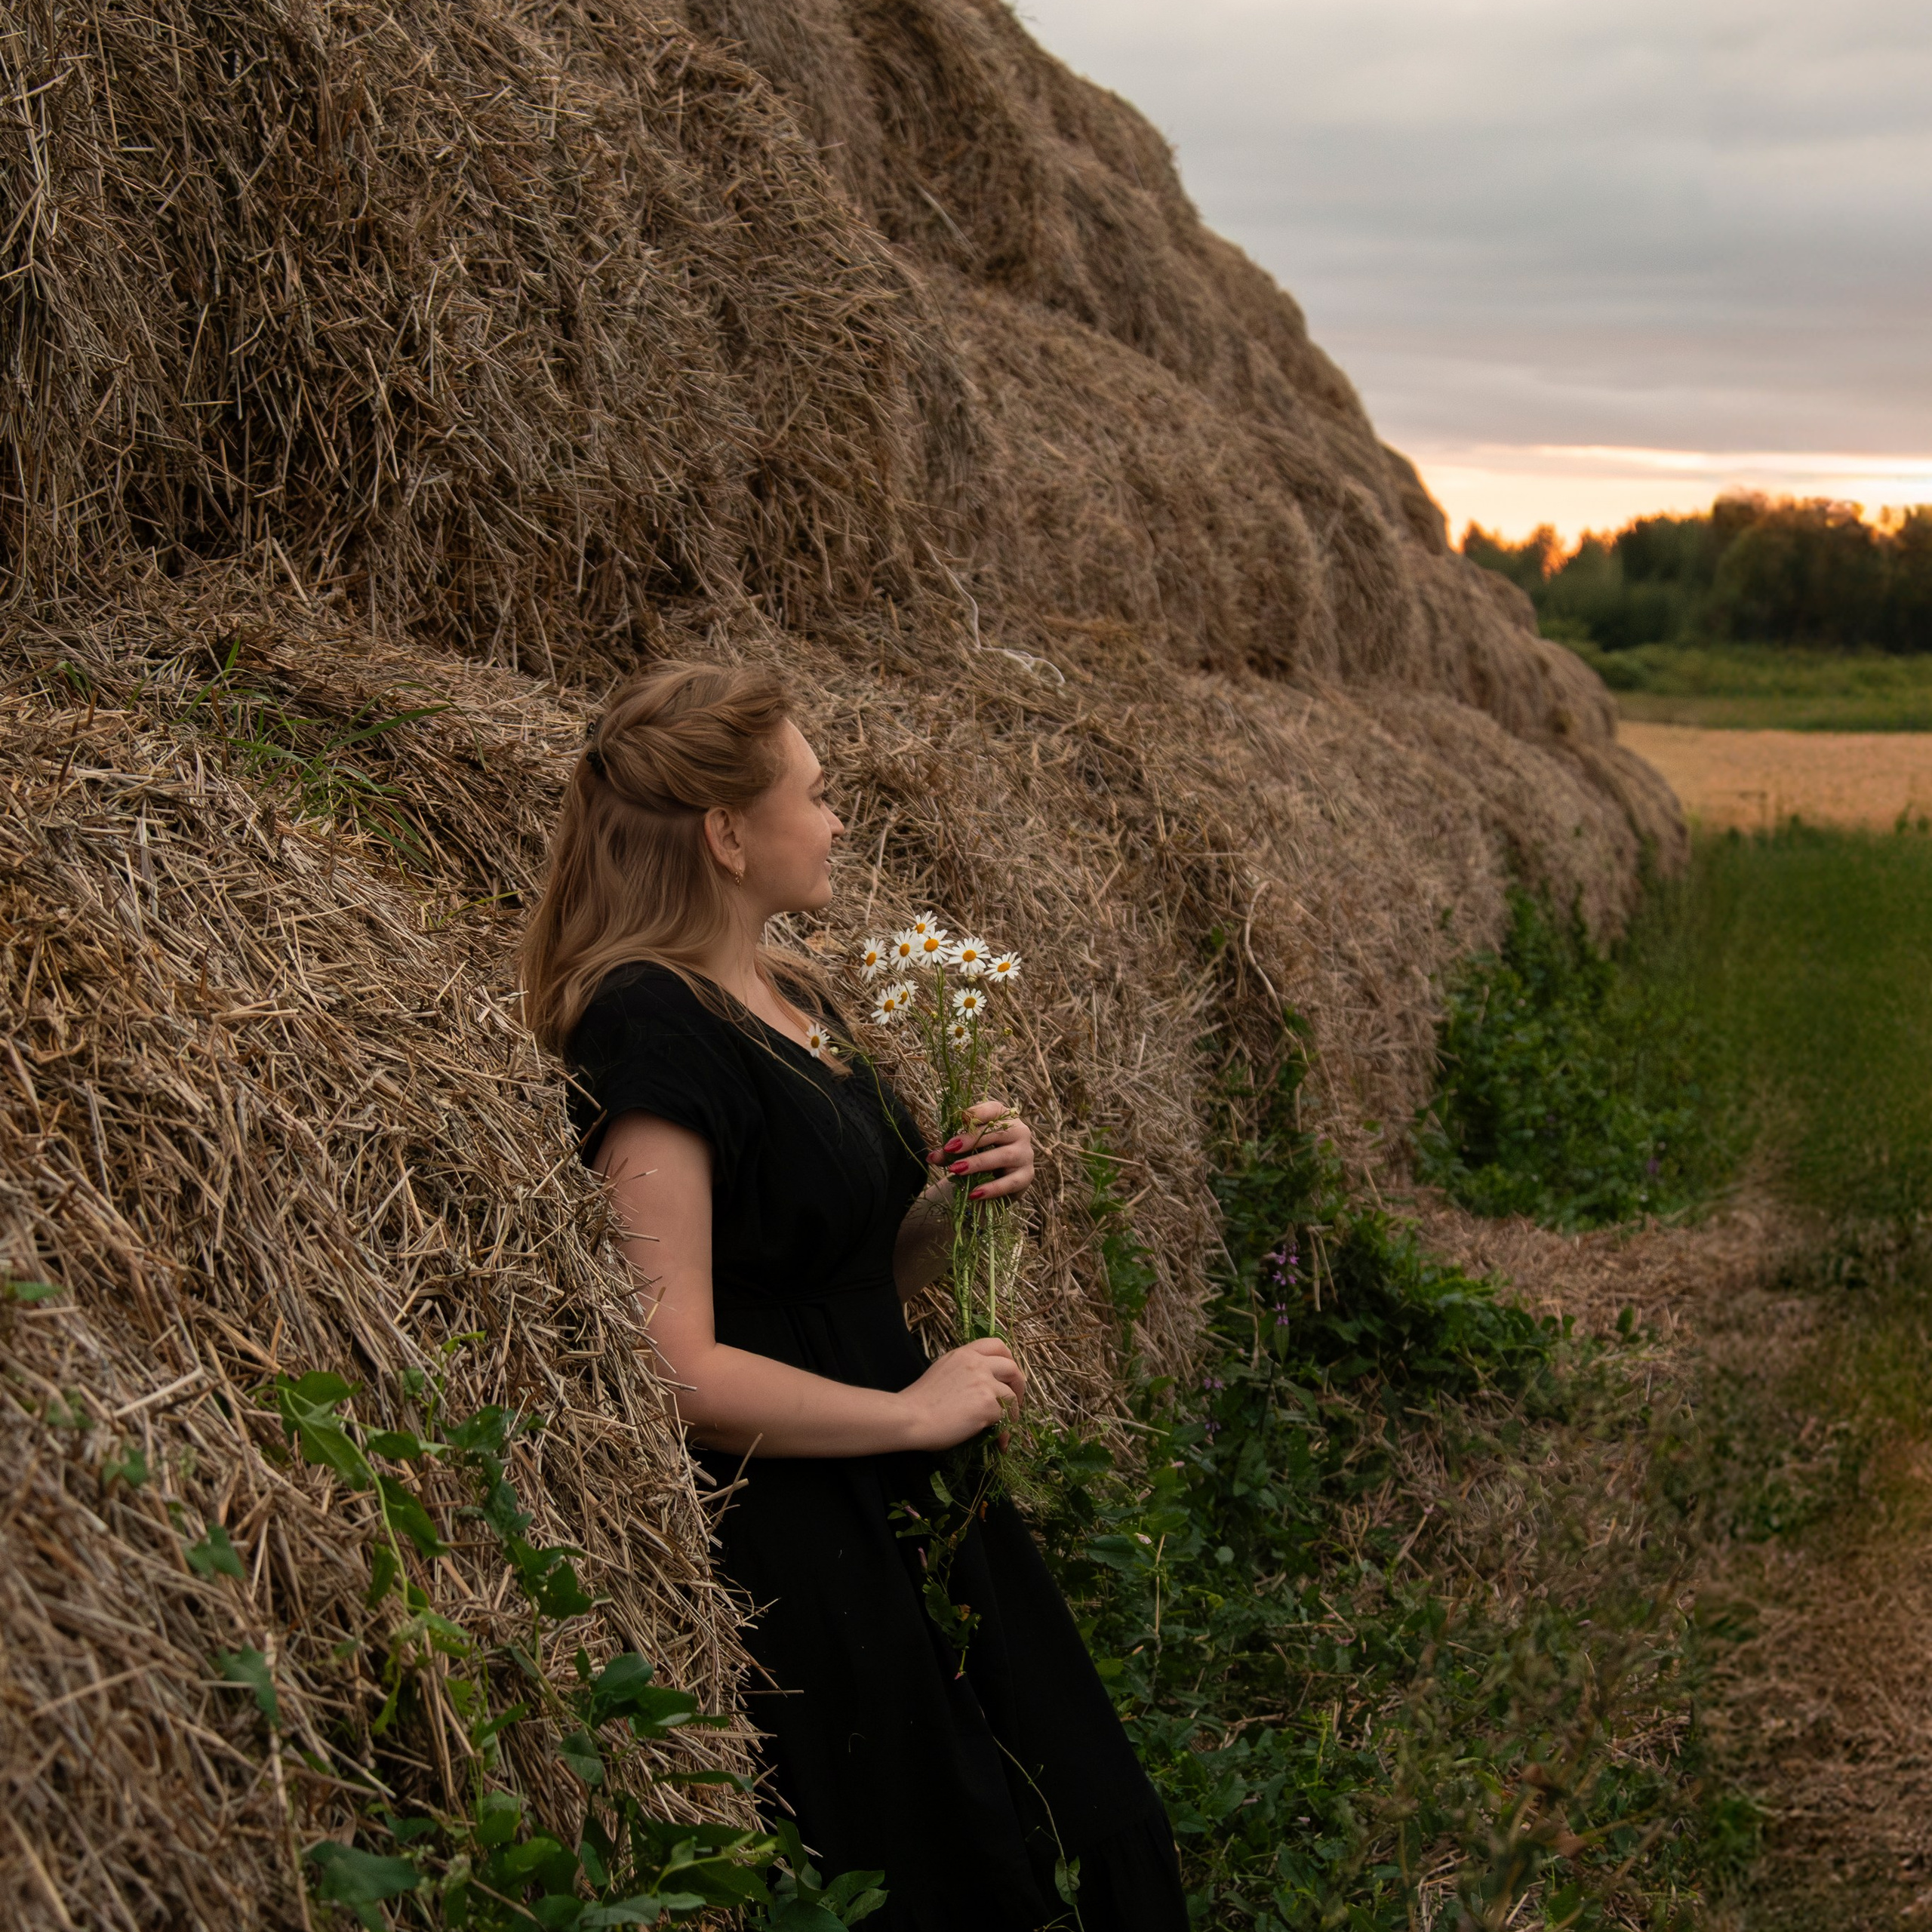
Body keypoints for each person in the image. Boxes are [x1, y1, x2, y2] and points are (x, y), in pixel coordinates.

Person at [520, 660, 1188, 1932]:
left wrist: (960, 1197)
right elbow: (675, 1362)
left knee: (1075, 1804)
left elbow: (837, 1272)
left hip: (904, 1484)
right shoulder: (649, 1025)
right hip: (805, 1525)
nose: (836, 823)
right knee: (945, 1866)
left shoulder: (793, 993)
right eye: (817, 796)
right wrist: (912, 1415)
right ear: (727, 834)